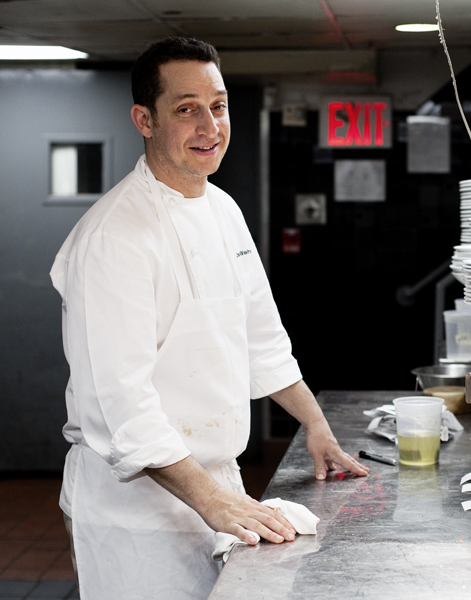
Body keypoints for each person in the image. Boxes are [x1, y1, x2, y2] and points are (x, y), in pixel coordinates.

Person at [49, 37, 368, 599]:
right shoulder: (113, 238)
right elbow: (120, 404)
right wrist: (212, 500)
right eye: (186, 108)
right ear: (144, 120)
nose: (209, 125)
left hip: (216, 486)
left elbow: (261, 337)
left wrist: (313, 424)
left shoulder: (222, 209)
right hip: (136, 512)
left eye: (217, 106)